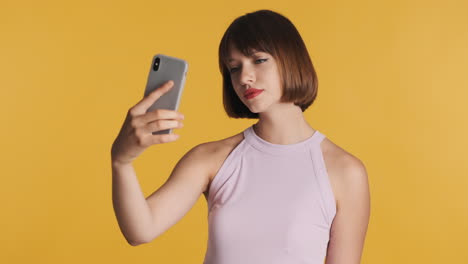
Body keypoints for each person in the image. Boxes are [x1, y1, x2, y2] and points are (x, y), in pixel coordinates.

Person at [111, 9, 370, 264]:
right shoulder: (210, 159)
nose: (244, 78)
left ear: (291, 60)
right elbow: (141, 231)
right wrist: (121, 162)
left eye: (258, 60)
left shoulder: (345, 172)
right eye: (234, 68)